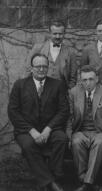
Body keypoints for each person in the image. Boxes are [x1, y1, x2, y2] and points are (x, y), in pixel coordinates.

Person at [8, 53, 69, 191]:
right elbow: (13, 112)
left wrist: (48, 129)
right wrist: (32, 131)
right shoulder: (20, 85)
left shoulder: (57, 85)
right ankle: (51, 183)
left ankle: (53, 175)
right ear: (31, 68)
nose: (41, 69)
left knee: (61, 139)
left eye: (44, 66)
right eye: (38, 66)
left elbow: (63, 111)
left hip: (51, 128)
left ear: (48, 68)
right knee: (29, 145)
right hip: (26, 131)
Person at [67, 65, 102, 191]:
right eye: (84, 80)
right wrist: (69, 137)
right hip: (80, 131)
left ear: (97, 79)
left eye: (91, 79)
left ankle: (86, 184)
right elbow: (69, 117)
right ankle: (87, 181)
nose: (88, 83)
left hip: (99, 131)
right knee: (76, 141)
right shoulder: (73, 92)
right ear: (80, 80)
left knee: (99, 143)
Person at [26, 21, 78, 89]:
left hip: (61, 92)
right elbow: (29, 69)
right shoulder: (38, 48)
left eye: (60, 34)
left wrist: (67, 92)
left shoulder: (70, 52)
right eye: (55, 34)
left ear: (64, 34)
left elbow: (73, 78)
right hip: (41, 90)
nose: (57, 36)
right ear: (49, 33)